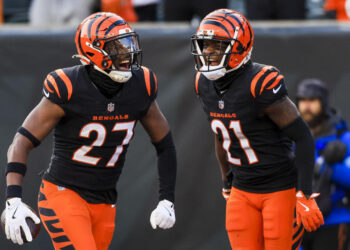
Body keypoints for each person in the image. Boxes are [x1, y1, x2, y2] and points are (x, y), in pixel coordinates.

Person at [3, 12, 177, 249]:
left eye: (128, 44)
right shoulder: (69, 86)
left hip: (105, 201)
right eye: (117, 46)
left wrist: (167, 198)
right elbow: (21, 142)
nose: (127, 53)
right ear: (94, 50)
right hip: (63, 194)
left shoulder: (141, 85)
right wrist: (13, 199)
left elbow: (165, 144)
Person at [191, 9, 324, 249]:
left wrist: (305, 194)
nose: (207, 53)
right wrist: (226, 181)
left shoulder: (259, 82)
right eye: (204, 45)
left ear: (239, 48)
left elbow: (303, 136)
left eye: (216, 46)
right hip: (242, 189)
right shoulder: (203, 83)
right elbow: (221, 134)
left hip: (279, 189)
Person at [296, 79, 350, 250]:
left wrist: (326, 165)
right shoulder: (291, 137)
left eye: (312, 100)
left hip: (333, 220)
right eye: (303, 100)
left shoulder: (343, 137)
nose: (307, 106)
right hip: (297, 222)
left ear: (323, 102)